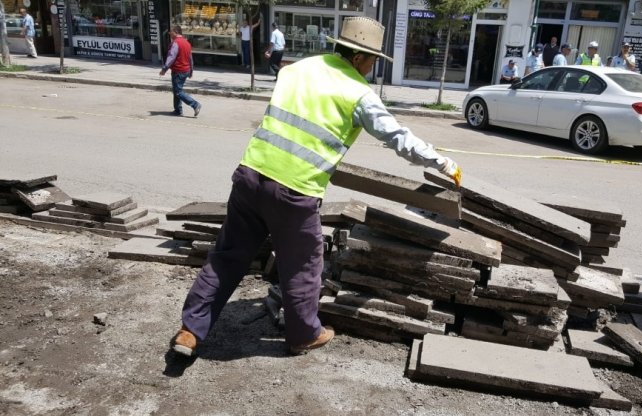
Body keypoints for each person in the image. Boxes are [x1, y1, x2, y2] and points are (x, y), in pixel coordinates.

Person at [170, 16, 462, 357]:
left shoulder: (298, 69)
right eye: (371, 61)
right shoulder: (358, 94)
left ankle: (190, 332)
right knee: (305, 265)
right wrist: (441, 162)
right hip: (295, 190)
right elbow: (397, 137)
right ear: (358, 57)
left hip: (251, 174)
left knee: (227, 256)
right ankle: (303, 334)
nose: (371, 69)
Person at [159, 26, 202, 117]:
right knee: (176, 90)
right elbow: (190, 58)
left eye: (171, 32)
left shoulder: (176, 43)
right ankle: (178, 110)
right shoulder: (187, 43)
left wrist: (164, 69)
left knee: (178, 91)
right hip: (185, 70)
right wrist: (191, 71)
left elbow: (171, 57)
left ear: (176, 32)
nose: (169, 33)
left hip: (179, 70)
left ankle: (195, 105)